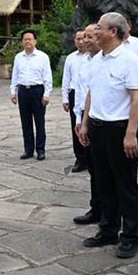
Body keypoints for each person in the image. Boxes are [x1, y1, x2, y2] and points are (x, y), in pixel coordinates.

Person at [78, 13, 138, 258]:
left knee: (125, 185)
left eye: (99, 28)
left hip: (120, 129)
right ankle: (108, 230)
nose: (94, 32)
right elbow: (90, 94)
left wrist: (131, 134)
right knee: (103, 182)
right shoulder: (96, 60)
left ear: (113, 32)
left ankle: (130, 237)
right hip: (97, 127)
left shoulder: (129, 61)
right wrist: (85, 124)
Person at [72, 23, 102, 225]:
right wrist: (79, 120)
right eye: (85, 37)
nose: (86, 41)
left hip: (109, 122)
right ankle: (97, 208)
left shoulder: (120, 60)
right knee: (94, 168)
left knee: (108, 171)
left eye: (91, 36)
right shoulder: (84, 63)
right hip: (87, 118)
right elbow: (82, 94)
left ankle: (113, 215)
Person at [10, 29, 53, 160]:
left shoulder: (42, 57)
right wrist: (13, 91)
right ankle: (28, 149)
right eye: (25, 39)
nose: (27, 41)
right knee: (25, 121)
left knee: (39, 122)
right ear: (22, 42)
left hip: (37, 91)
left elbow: (47, 77)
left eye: (30, 39)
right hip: (23, 91)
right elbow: (15, 76)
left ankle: (40, 150)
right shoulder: (18, 57)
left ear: (35, 41)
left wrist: (46, 94)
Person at [62, 29, 88, 172]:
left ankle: (91, 157)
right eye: (78, 39)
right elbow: (66, 79)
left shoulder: (93, 56)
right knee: (76, 126)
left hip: (88, 94)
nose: (81, 41)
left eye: (83, 38)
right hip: (74, 93)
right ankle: (80, 158)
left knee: (90, 126)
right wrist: (65, 98)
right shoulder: (71, 58)